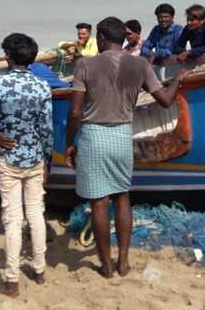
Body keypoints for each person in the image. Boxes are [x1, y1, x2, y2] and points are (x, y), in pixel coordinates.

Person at [65, 17, 189, 278]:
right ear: (122, 38)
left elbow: (75, 112)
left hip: (94, 136)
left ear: (100, 38)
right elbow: (166, 101)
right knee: (122, 198)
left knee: (99, 203)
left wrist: (69, 144)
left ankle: (106, 266)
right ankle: (123, 262)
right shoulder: (140, 64)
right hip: (123, 135)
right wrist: (178, 80)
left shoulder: (84, 65)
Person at [0, 33, 53, 297]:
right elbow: (46, 128)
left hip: (9, 159)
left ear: (7, 57)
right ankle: (39, 270)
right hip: (34, 158)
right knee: (36, 214)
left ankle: (12, 280)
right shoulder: (42, 86)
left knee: (12, 219)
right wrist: (47, 159)